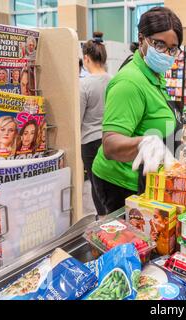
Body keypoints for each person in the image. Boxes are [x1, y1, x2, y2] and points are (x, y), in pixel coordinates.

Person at [91, 6, 183, 216]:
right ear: (142, 39)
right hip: (119, 185)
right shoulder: (129, 82)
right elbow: (110, 144)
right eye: (159, 44)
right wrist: (144, 142)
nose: (166, 54)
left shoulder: (155, 76)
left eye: (172, 48)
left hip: (145, 180)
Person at [80, 31, 112, 215]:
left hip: (90, 142)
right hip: (110, 139)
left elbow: (78, 117)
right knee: (109, 182)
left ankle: (102, 220)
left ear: (86, 58)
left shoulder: (84, 85)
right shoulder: (114, 80)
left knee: (95, 183)